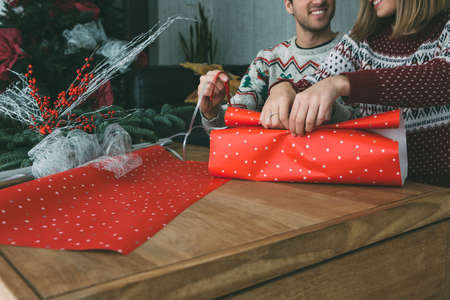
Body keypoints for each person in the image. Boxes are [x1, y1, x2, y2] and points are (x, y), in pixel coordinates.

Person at [264, 0, 450, 186]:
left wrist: (343, 84)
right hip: (382, 187)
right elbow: (317, 81)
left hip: (440, 190)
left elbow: (443, 77)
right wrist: (283, 88)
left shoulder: (446, 25)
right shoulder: (362, 37)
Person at [198, 0, 352, 132]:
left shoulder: (358, 53)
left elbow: (368, 127)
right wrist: (211, 112)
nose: (319, 1)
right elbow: (232, 127)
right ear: (288, 5)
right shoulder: (266, 61)